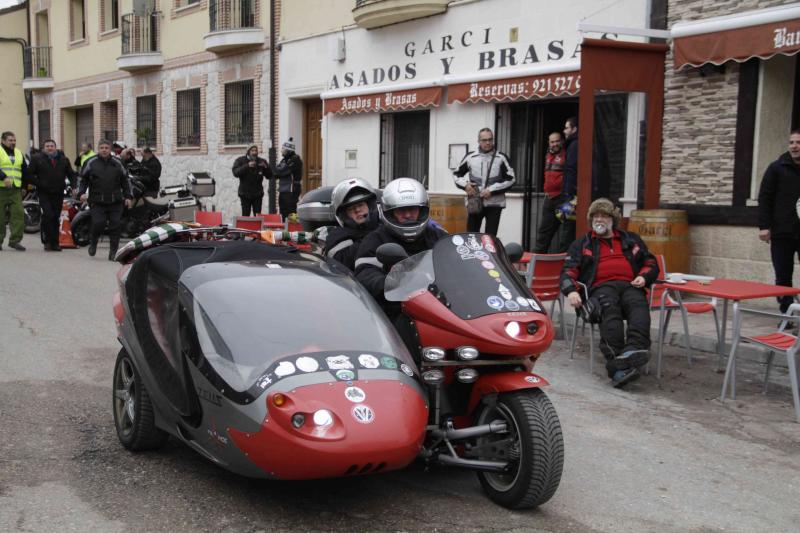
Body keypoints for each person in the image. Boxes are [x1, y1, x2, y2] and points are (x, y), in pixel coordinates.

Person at [561, 198, 660, 388]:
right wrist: (571, 291)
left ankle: (633, 351)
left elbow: (650, 263)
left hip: (630, 285)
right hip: (601, 288)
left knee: (639, 308)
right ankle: (618, 364)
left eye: (604, 216)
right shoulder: (583, 244)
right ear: (591, 220)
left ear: (612, 220)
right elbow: (568, 271)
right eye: (596, 216)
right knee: (610, 313)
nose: (600, 220)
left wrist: (643, 277)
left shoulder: (630, 239)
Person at [355, 177, 447, 317]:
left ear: (422, 210)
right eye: (401, 210)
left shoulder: (438, 237)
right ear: (389, 212)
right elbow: (366, 276)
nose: (408, 215)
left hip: (441, 305)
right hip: (397, 311)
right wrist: (395, 282)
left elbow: (459, 264)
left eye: (412, 209)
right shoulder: (374, 240)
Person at [758, 129, 800, 313]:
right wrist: (764, 226)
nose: (794, 146)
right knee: (783, 275)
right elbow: (765, 198)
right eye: (791, 142)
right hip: (783, 231)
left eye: (798, 142)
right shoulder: (776, 168)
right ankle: (786, 313)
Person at [453, 127, 515, 236]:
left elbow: (512, 179)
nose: (488, 142)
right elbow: (456, 174)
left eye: (490, 139)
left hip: (494, 204)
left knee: (490, 239)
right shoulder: (470, 157)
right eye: (484, 140)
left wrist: (491, 190)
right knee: (471, 236)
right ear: (479, 141)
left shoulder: (501, 157)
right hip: (475, 203)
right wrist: (466, 185)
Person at [79, 139, 132, 260]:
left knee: (115, 226)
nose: (104, 150)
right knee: (99, 223)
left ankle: (113, 252)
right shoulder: (90, 162)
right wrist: (81, 193)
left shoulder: (118, 163)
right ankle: (93, 243)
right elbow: (83, 180)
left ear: (110, 150)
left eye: (106, 148)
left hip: (116, 201)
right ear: (98, 149)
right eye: (102, 148)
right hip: (97, 201)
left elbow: (126, 180)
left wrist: (128, 196)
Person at [28, 139, 77, 251]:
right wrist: (39, 184)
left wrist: (74, 186)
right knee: (48, 215)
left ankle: (55, 243)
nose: (50, 148)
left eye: (52, 146)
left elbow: (71, 174)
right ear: (44, 148)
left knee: (55, 217)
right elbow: (29, 175)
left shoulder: (64, 160)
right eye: (47, 146)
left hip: (58, 192)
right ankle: (47, 241)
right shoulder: (37, 159)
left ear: (55, 147)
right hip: (44, 192)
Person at [324, 178, 380, 271]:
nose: (357, 210)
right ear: (344, 215)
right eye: (351, 208)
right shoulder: (338, 237)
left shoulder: (384, 227)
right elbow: (340, 263)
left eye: (361, 205)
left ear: (370, 206)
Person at [534, 132, 568, 253]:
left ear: (562, 141)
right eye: (552, 142)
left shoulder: (567, 154)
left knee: (566, 234)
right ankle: (537, 261)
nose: (554, 144)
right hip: (549, 198)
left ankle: (563, 263)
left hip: (563, 198)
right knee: (544, 232)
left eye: (557, 141)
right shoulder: (548, 155)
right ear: (549, 143)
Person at [0, 131, 29, 251]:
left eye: (14, 140)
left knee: (18, 215)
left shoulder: (18, 153)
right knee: (0, 217)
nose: (13, 142)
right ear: (2, 141)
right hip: (1, 189)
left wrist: (24, 187)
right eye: (10, 140)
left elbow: (24, 171)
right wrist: (3, 177)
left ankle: (15, 241)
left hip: (15, 189)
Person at [232, 144, 270, 216]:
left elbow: (269, 176)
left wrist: (266, 167)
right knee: (246, 215)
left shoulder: (262, 161)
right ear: (248, 152)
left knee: (257, 216)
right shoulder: (240, 160)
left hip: (257, 194)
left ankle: (257, 227)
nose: (254, 152)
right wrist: (247, 166)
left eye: (256, 151)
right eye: (252, 151)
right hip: (245, 194)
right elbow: (235, 173)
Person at [274, 138, 303, 220]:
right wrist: (277, 171)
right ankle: (284, 229)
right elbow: (275, 173)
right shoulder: (284, 160)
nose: (281, 150)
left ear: (288, 150)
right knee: (283, 211)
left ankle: (292, 230)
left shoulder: (295, 160)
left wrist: (278, 171)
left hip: (291, 190)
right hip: (283, 190)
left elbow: (283, 172)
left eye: (283, 148)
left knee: (291, 212)